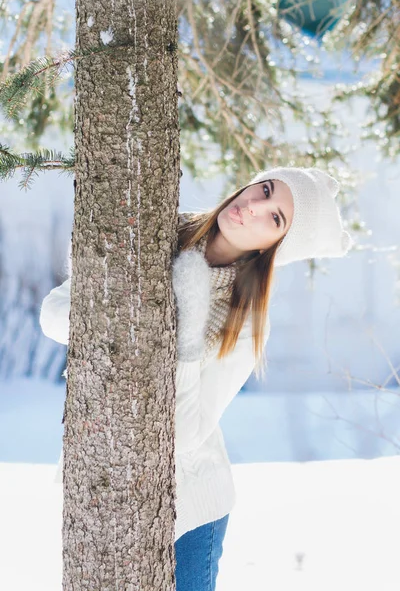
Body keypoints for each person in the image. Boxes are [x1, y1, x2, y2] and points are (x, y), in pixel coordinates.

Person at [39, 166, 353, 591]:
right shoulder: (156, 230)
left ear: (273, 248)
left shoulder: (245, 322)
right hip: (102, 487)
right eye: (264, 189)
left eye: (275, 217)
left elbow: (185, 433)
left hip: (189, 510)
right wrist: (117, 308)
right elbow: (56, 317)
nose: (254, 206)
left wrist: (186, 332)